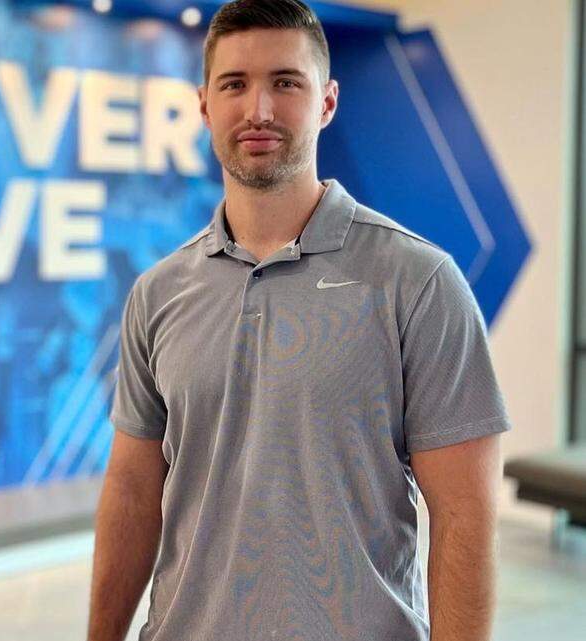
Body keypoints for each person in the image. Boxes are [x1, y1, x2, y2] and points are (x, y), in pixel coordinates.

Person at [88, 1, 508, 640]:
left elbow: (465, 516)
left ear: (328, 102)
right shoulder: (159, 292)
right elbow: (131, 492)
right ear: (204, 106)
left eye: (286, 83)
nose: (259, 110)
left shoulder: (417, 281)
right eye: (235, 84)